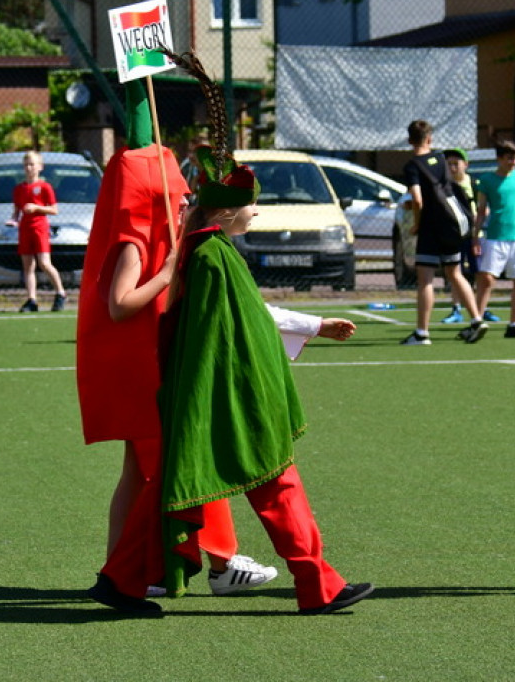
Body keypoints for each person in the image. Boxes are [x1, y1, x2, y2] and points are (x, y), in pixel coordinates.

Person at [79, 81, 277, 615]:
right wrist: (166, 272)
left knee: (138, 473)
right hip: (141, 369)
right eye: (176, 189)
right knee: (168, 466)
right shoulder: (134, 239)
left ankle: (123, 572)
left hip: (142, 364)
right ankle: (211, 562)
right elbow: (123, 302)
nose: (186, 196)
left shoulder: (148, 230)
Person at [157, 146, 374, 615]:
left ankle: (317, 582)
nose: (257, 212)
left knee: (265, 488)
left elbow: (252, 317)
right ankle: (318, 585)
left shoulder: (214, 252)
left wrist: (314, 326)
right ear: (228, 210)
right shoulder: (212, 256)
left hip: (231, 394)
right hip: (237, 397)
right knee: (278, 487)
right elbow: (230, 332)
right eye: (253, 203)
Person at [400, 122, 487, 345]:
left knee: (426, 280)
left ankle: (422, 333)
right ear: (429, 139)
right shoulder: (440, 159)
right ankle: (477, 319)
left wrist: (417, 224)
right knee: (455, 273)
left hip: (431, 227)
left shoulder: (412, 166)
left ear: (410, 140)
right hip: (452, 223)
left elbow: (418, 199)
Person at [471, 141, 515, 338]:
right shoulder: (487, 180)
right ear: (499, 158)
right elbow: (481, 210)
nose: (513, 162)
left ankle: (514, 324)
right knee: (487, 279)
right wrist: (476, 236)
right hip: (496, 236)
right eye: (509, 158)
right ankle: (477, 321)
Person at [440, 148, 498, 324]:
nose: (452, 167)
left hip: (475, 235)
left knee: (481, 272)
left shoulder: (474, 184)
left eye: (455, 163)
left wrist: (478, 217)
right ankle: (456, 309)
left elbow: (484, 208)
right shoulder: (443, 186)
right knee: (456, 272)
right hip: (454, 236)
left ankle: (482, 307)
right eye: (448, 164)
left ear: (465, 165)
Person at [7, 150, 67, 312]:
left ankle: (60, 292)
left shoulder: (45, 187)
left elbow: (54, 210)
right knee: (28, 266)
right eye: (26, 164)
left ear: (40, 167)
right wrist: (13, 221)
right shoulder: (19, 189)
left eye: (32, 164)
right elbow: (17, 211)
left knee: (44, 263)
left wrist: (36, 208)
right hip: (25, 229)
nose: (28, 167)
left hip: (39, 228)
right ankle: (32, 299)